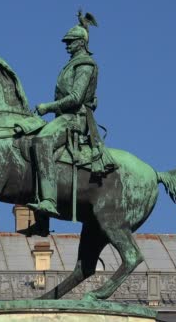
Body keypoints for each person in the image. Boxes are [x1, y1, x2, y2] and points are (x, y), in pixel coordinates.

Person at [27, 11, 116, 217]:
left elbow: (76, 97)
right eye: (67, 42)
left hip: (75, 119)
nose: (67, 45)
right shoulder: (72, 64)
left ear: (81, 43)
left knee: (42, 142)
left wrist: (48, 107)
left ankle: (49, 201)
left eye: (71, 42)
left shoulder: (84, 64)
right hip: (63, 117)